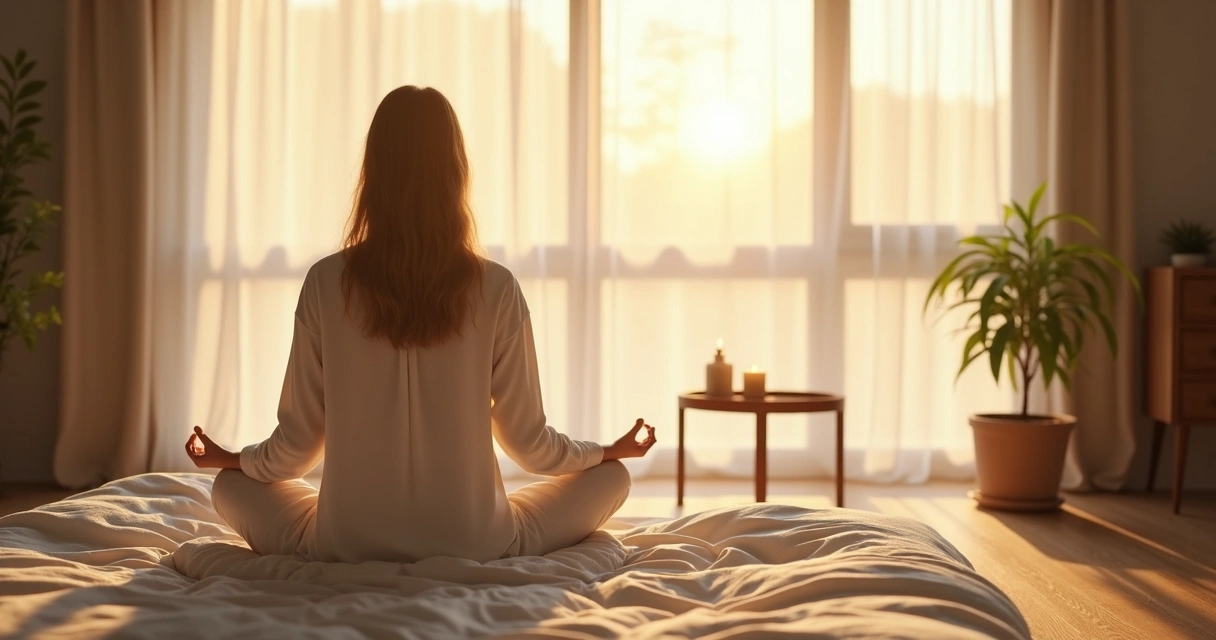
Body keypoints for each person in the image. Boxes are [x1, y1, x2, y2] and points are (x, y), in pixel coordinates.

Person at [184, 86, 656, 564]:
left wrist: (230, 459)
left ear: (373, 173)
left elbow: (295, 449)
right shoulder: (496, 287)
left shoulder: (325, 282)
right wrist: (606, 451)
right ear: (456, 172)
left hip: (344, 544)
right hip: (477, 541)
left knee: (229, 486)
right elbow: (531, 447)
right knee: (613, 477)